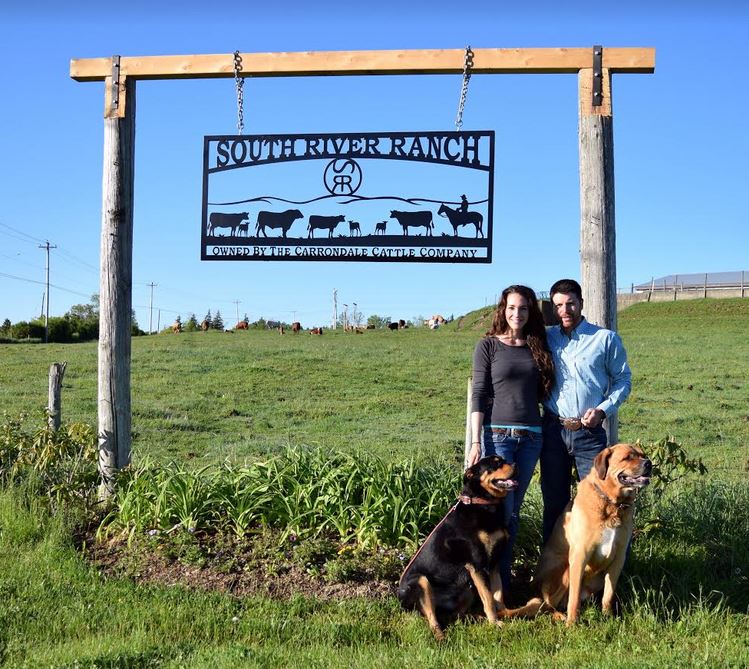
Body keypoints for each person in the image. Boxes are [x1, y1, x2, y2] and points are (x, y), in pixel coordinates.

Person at [467, 285, 555, 594]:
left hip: (532, 438)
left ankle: (502, 584)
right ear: (503, 310)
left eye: (524, 309)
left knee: (513, 513)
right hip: (498, 439)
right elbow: (478, 393)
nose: (517, 314)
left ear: (531, 313)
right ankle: (494, 587)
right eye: (512, 308)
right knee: (500, 512)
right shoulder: (488, 346)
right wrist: (475, 442)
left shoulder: (538, 345)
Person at [540, 278, 632, 543]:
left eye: (570, 304)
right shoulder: (547, 338)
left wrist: (603, 410)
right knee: (554, 504)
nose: (564, 311)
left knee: (601, 501)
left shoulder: (605, 339)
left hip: (589, 434)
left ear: (581, 303)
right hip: (554, 431)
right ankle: (553, 572)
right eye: (558, 305)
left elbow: (623, 380)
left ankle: (604, 571)